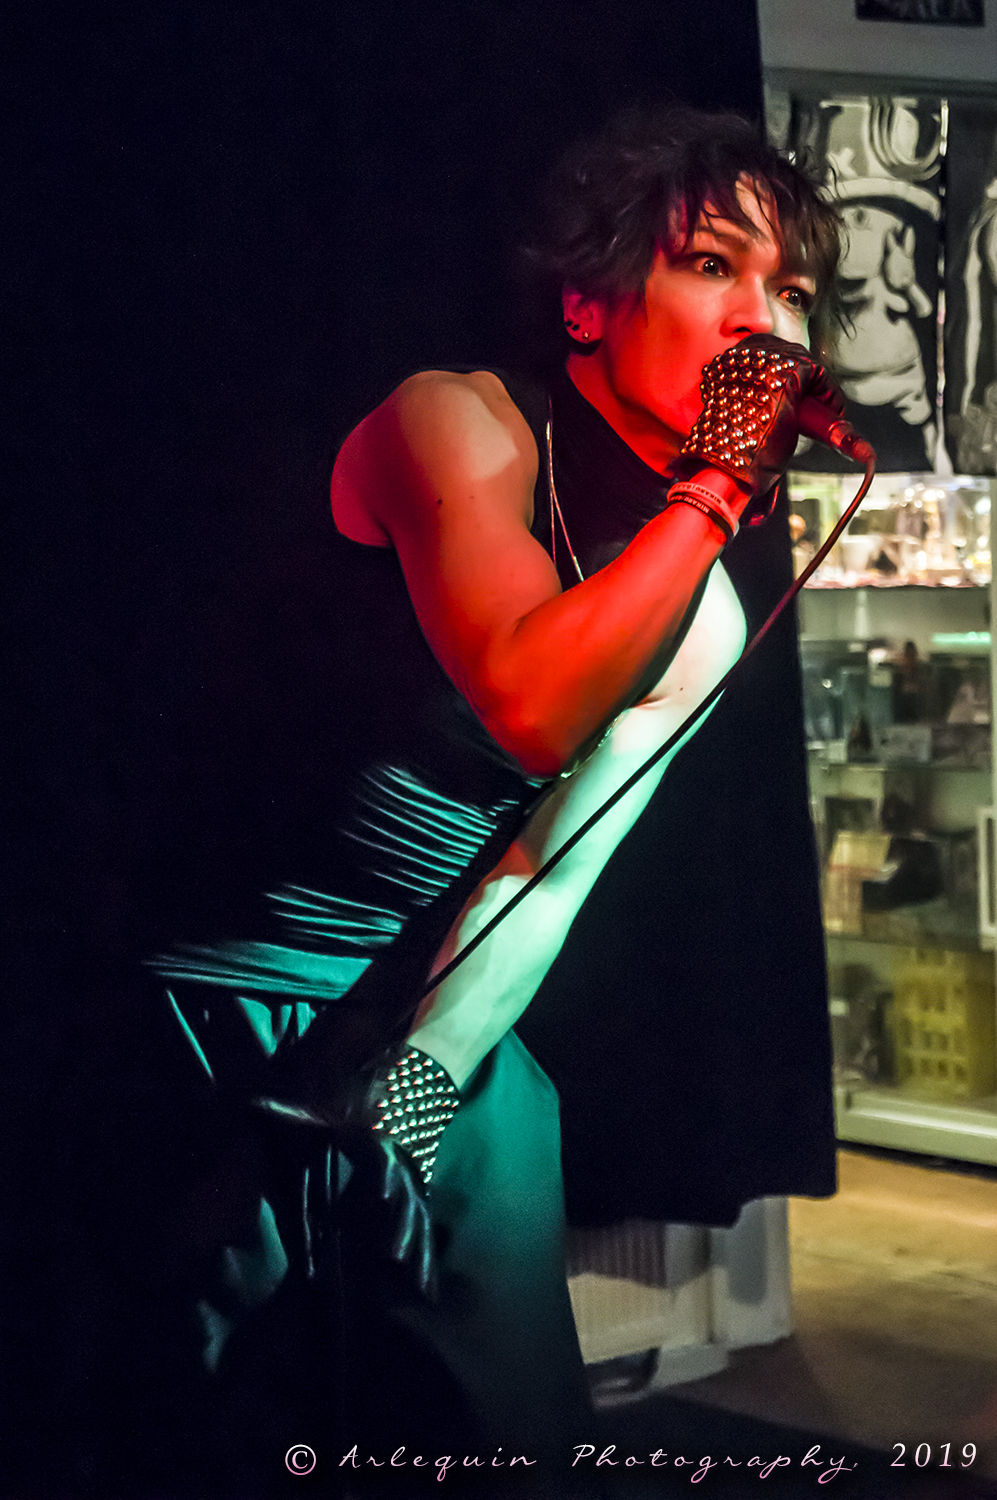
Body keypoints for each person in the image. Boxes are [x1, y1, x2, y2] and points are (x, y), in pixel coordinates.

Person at [155, 105, 844, 1492]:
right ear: (587, 301)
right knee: (187, 1418)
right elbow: (525, 696)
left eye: (791, 293)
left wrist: (421, 1083)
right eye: (714, 266)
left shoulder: (700, 609)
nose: (761, 326)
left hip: (432, 1008)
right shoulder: (451, 425)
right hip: (207, 1004)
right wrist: (716, 485)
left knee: (500, 1424)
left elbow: (548, 866)